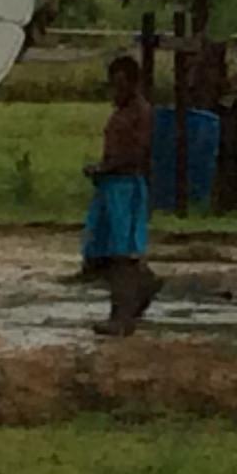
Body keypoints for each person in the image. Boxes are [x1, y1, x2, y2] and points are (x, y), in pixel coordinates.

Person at [79, 53, 161, 335]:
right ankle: (144, 286)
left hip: (126, 187)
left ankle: (121, 316)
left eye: (121, 85)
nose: (116, 91)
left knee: (122, 256)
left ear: (134, 84)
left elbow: (137, 153)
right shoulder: (121, 112)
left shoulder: (141, 112)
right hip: (111, 185)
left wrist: (105, 167)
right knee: (103, 251)